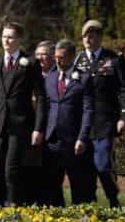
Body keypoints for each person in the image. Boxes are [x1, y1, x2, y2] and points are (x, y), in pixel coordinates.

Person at [74, 19, 125, 208]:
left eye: (92, 35)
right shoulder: (78, 60)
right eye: (85, 36)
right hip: (82, 124)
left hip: (105, 121)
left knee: (102, 165)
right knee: (86, 170)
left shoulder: (113, 59)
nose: (88, 39)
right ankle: (90, 208)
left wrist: (124, 117)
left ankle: (113, 198)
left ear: (100, 37)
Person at [0, 22, 47, 205]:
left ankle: (12, 207)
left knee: (11, 169)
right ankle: (15, 203)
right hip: (0, 126)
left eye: (11, 36)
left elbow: (41, 97)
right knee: (2, 169)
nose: (6, 40)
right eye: (4, 36)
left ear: (19, 39)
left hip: (20, 126)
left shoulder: (30, 63)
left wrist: (38, 128)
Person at [41, 39, 95, 207]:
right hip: (52, 140)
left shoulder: (84, 79)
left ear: (72, 57)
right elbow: (46, 107)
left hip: (74, 142)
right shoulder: (50, 78)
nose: (57, 61)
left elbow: (88, 110)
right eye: (56, 57)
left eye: (62, 57)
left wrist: (82, 138)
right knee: (51, 186)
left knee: (79, 187)